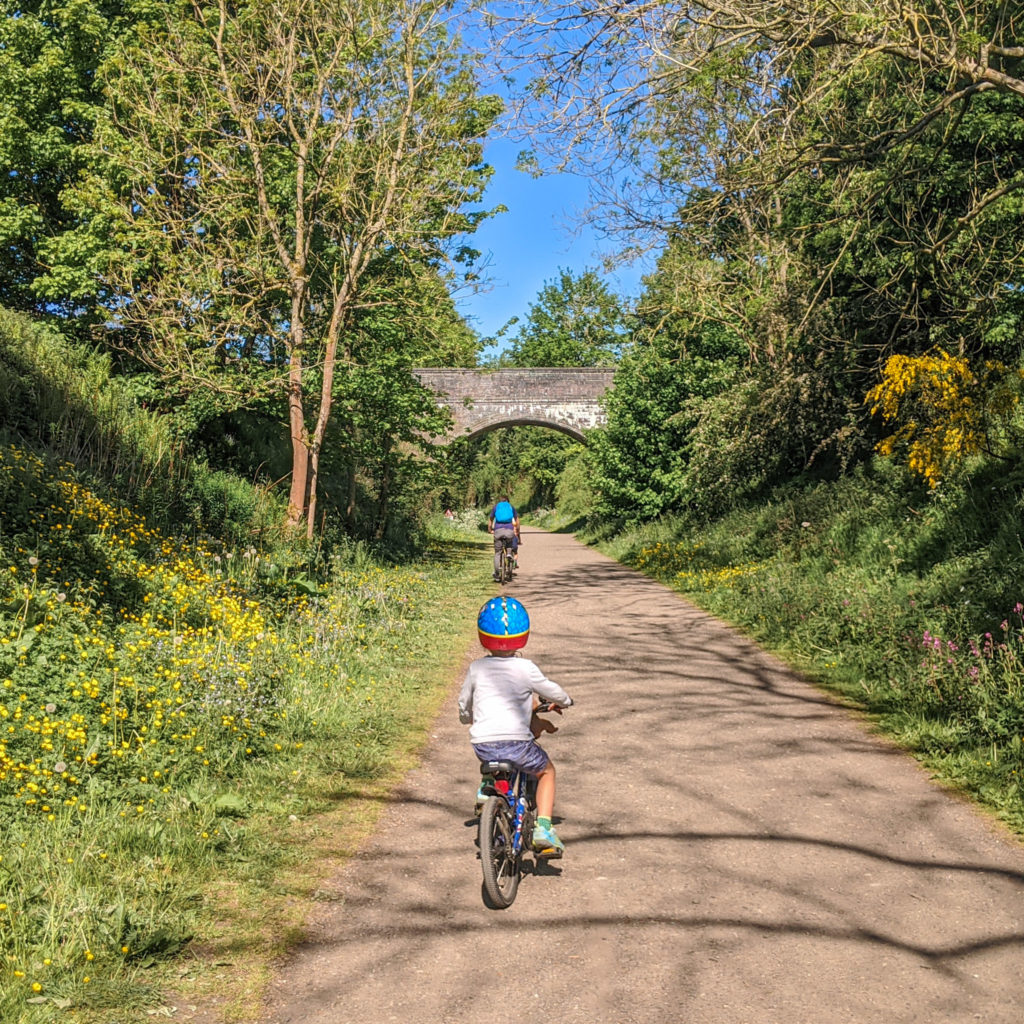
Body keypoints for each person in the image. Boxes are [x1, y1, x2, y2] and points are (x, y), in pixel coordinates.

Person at [458, 596, 573, 857]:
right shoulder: (526, 667)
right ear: (524, 635)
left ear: (482, 636)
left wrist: (467, 718)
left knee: (496, 754)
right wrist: (566, 700)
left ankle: (489, 788)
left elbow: (464, 703)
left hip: (483, 745)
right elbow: (551, 690)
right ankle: (544, 828)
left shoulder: (477, 668)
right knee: (546, 772)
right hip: (518, 744)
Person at [488, 496, 520, 580]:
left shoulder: (496, 507)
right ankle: (509, 553)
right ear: (507, 501)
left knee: (497, 552)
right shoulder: (511, 507)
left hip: (498, 531)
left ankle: (497, 574)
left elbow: (491, 519)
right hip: (509, 530)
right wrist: (517, 530)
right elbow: (517, 520)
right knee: (509, 541)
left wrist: (490, 529)